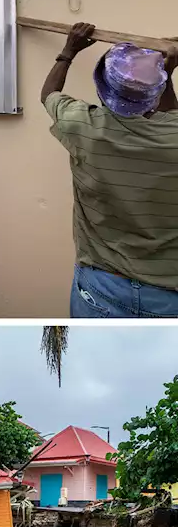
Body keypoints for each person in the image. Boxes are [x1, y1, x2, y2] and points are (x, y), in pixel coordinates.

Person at [43, 23, 178, 318]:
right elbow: (170, 119)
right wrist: (166, 73)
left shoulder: (82, 126)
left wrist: (69, 51)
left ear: (103, 88)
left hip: (101, 288)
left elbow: (49, 94)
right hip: (170, 295)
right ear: (154, 93)